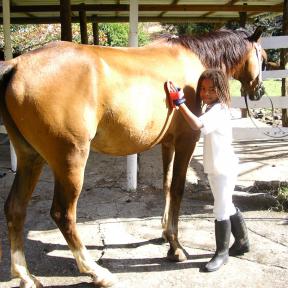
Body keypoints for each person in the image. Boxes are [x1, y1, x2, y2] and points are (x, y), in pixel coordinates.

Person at [167, 69, 250, 272]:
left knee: (221, 209)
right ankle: (242, 242)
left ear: (221, 90)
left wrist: (180, 103)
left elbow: (196, 124)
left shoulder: (219, 111)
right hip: (217, 167)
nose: (205, 93)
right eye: (203, 89)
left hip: (223, 168)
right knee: (227, 204)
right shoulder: (213, 109)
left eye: (212, 90)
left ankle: (221, 254)